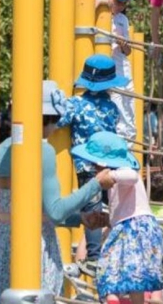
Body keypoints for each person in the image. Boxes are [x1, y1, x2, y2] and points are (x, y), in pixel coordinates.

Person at [0, 80, 115, 297]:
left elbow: (24, 210)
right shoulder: (44, 151)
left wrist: (80, 218)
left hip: (0, 244)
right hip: (34, 245)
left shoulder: (0, 150)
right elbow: (55, 211)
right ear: (52, 118)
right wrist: (95, 184)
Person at [71, 131, 163, 304]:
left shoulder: (123, 171)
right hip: (126, 226)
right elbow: (120, 209)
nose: (94, 169)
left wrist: (111, 176)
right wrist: (109, 219)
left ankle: (114, 298)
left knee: (127, 273)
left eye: (95, 165)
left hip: (136, 227)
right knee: (120, 271)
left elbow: (132, 176)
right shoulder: (116, 184)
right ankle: (114, 298)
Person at [52, 54, 126, 263]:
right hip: (110, 164)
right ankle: (112, 248)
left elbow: (60, 122)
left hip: (86, 164)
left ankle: (93, 255)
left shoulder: (77, 104)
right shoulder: (112, 107)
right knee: (112, 205)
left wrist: (59, 102)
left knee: (91, 208)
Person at [96, 0, 137, 143]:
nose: (122, 6)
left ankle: (130, 149)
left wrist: (123, 43)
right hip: (108, 74)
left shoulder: (122, 20)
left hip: (123, 70)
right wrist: (102, 0)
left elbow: (128, 51)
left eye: (125, 3)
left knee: (130, 113)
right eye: (119, 2)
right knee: (117, 111)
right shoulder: (99, 13)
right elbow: (82, 9)